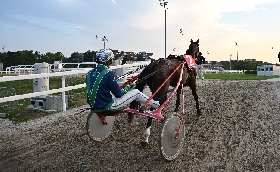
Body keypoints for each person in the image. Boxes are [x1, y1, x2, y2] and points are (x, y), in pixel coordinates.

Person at [86, 49, 161, 110]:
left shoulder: (89, 73)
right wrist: (128, 87)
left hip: (93, 105)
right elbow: (119, 94)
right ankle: (157, 105)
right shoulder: (109, 73)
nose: (111, 62)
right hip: (107, 106)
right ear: (108, 60)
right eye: (111, 60)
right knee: (137, 92)